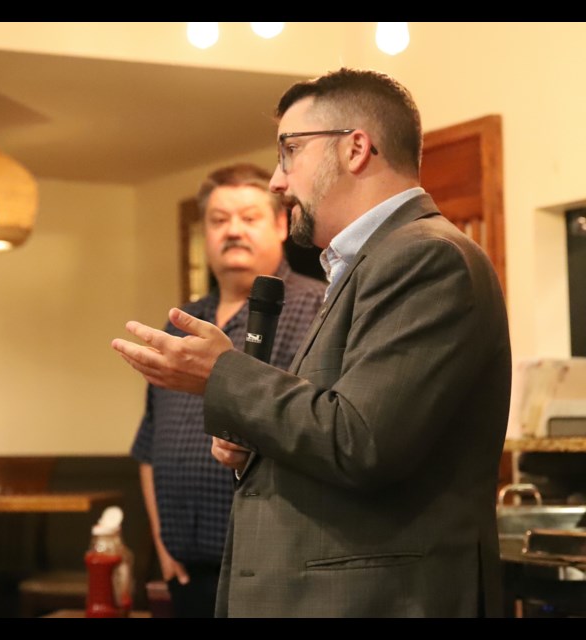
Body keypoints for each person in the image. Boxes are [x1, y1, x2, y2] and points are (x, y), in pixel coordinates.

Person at [112, 68, 511, 617]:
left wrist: (221, 375)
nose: (278, 180)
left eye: (289, 151)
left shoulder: (426, 257)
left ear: (355, 148)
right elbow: (334, 425)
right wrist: (255, 440)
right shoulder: (366, 265)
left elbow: (362, 441)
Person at [130, 163, 324, 618]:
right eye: (219, 220)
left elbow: (321, 425)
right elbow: (148, 445)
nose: (233, 231)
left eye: (249, 217)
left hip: (278, 569)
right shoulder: (183, 321)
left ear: (281, 224)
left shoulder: (320, 307)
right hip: (186, 570)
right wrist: (162, 543)